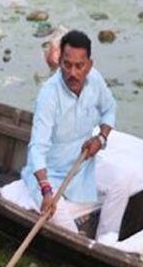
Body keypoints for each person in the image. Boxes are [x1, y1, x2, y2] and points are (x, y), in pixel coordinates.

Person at [21, 30, 126, 238]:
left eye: (80, 66)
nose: (73, 73)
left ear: (90, 64)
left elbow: (109, 109)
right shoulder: (48, 95)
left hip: (83, 166)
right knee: (58, 217)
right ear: (60, 62)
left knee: (121, 183)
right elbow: (37, 148)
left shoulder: (95, 80)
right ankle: (81, 246)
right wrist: (46, 190)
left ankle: (105, 242)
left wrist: (101, 138)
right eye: (67, 65)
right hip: (50, 174)